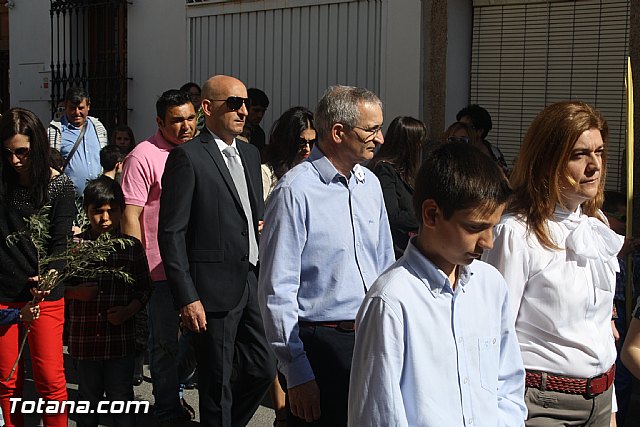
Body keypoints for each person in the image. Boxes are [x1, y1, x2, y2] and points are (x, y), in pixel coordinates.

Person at [349, 142, 527, 426]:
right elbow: (379, 413)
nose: (489, 242)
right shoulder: (391, 301)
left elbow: (508, 381)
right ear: (431, 214)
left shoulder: (490, 285)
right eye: (474, 227)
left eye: (493, 226)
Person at [258, 85, 395, 426]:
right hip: (319, 344)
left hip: (371, 339)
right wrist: (296, 370)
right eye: (372, 129)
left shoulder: (370, 184)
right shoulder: (295, 191)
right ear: (338, 132)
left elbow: (387, 266)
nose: (379, 139)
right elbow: (277, 289)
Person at [482, 101, 622, 426]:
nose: (594, 166)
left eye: (599, 152)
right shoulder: (515, 233)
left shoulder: (595, 226)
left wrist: (610, 405)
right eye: (579, 155)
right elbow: (493, 333)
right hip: (541, 405)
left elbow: (599, 328)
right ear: (547, 160)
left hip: (600, 400)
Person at [158, 75, 275, 427]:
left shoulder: (251, 153)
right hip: (210, 289)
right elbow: (172, 234)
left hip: (248, 279)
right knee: (215, 382)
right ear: (207, 108)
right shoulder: (187, 158)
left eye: (244, 103)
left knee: (262, 368)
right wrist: (187, 297)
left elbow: (247, 214)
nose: (242, 111)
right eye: (233, 104)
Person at [120, 89, 197, 425]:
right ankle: (167, 406)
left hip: (198, 266)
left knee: (197, 340)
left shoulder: (200, 151)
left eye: (190, 118)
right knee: (164, 342)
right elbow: (130, 216)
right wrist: (138, 268)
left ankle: (177, 391)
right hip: (158, 267)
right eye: (177, 120)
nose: (185, 126)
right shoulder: (143, 156)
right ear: (159, 122)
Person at [0, 107, 76, 427]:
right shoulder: (2, 181)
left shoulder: (59, 187)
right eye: (8, 153)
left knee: (50, 380)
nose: (15, 160)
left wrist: (50, 275)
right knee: (7, 380)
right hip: (3, 291)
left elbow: (61, 244)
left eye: (23, 152)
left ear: (38, 147)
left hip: (42, 294)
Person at [65, 176, 153, 427]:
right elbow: (58, 288)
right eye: (97, 212)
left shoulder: (131, 247)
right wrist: (76, 292)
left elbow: (144, 288)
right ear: (86, 212)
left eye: (111, 211)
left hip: (119, 342)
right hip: (85, 342)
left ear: (121, 211)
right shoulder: (75, 247)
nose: (104, 219)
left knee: (120, 399)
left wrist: (128, 311)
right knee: (88, 400)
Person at [602, 190, 640, 426]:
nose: (625, 226)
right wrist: (617, 253)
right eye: (622, 219)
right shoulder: (601, 246)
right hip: (613, 317)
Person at [367, 116, 425, 259]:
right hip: (395, 250)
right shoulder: (385, 170)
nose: (420, 147)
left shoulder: (409, 171)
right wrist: (424, 220)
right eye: (418, 142)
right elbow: (391, 214)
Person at [48, 87, 108, 197]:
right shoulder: (55, 131)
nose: (77, 112)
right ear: (65, 106)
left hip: (97, 197)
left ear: (88, 106)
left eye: (81, 108)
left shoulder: (98, 128)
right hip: (68, 200)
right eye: (72, 108)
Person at [261, 106, 316, 200]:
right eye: (301, 142)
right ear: (287, 140)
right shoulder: (266, 174)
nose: (307, 148)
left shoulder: (315, 175)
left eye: (312, 142)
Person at [456, 104, 509, 174]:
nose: (460, 130)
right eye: (459, 126)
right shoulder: (457, 149)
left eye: (466, 127)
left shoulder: (494, 152)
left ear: (480, 131)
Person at [246, 88, 269, 154]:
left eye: (263, 111)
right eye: (256, 110)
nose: (260, 115)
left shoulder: (259, 133)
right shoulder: (231, 130)